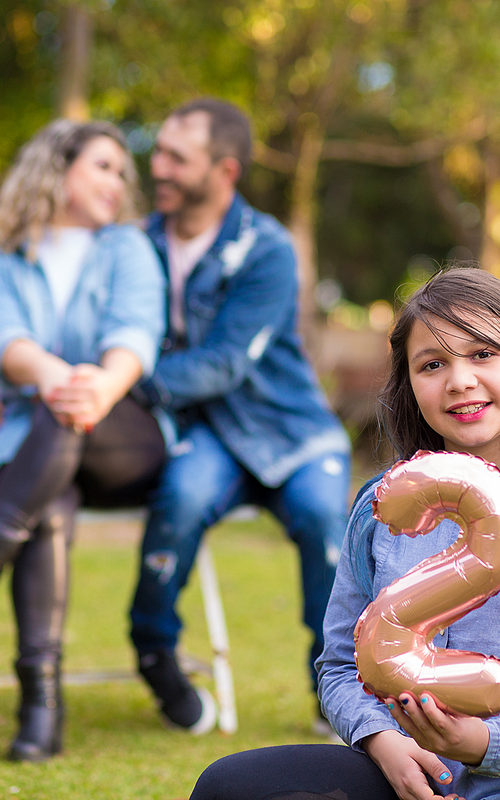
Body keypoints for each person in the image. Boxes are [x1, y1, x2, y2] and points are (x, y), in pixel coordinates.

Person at [189, 267, 500, 800]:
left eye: (484, 355)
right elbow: (339, 665)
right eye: (432, 364)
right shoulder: (382, 508)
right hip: (404, 773)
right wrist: (381, 738)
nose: (459, 380)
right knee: (226, 788)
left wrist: (485, 741)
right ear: (411, 385)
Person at [0, 119, 167, 762]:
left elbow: (135, 336)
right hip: (34, 448)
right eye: (104, 166)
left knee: (67, 410)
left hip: (123, 436)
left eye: (122, 173)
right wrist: (58, 379)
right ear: (57, 169)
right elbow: (1, 341)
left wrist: (94, 388)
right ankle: (40, 706)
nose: (118, 183)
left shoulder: (129, 249)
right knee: (48, 510)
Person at [127, 98, 353, 734]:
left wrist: (122, 382)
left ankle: (331, 688)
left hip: (291, 430)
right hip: (210, 434)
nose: (159, 166)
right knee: (180, 498)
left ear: (225, 171)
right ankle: (154, 651)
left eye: (177, 156)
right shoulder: (138, 243)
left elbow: (224, 362)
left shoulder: (267, 249)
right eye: (159, 150)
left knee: (323, 521)